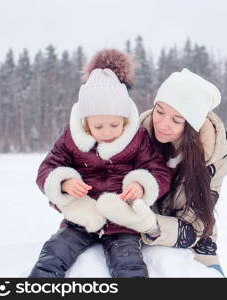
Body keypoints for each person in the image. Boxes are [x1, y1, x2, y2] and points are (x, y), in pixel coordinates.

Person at [29, 49, 171, 278]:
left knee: (130, 266)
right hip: (81, 219)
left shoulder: (138, 137)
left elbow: (159, 170)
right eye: (98, 127)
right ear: (86, 124)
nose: (107, 133)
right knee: (54, 254)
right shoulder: (72, 138)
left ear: (125, 119)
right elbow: (47, 169)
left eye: (114, 125)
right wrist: (63, 182)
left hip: (122, 222)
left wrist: (143, 186)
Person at [105, 68, 227, 276]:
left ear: (192, 125)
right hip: (136, 230)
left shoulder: (212, 158)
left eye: (176, 120)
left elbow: (196, 226)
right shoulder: (134, 137)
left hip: (193, 236)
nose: (162, 124)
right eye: (160, 111)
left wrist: (150, 225)